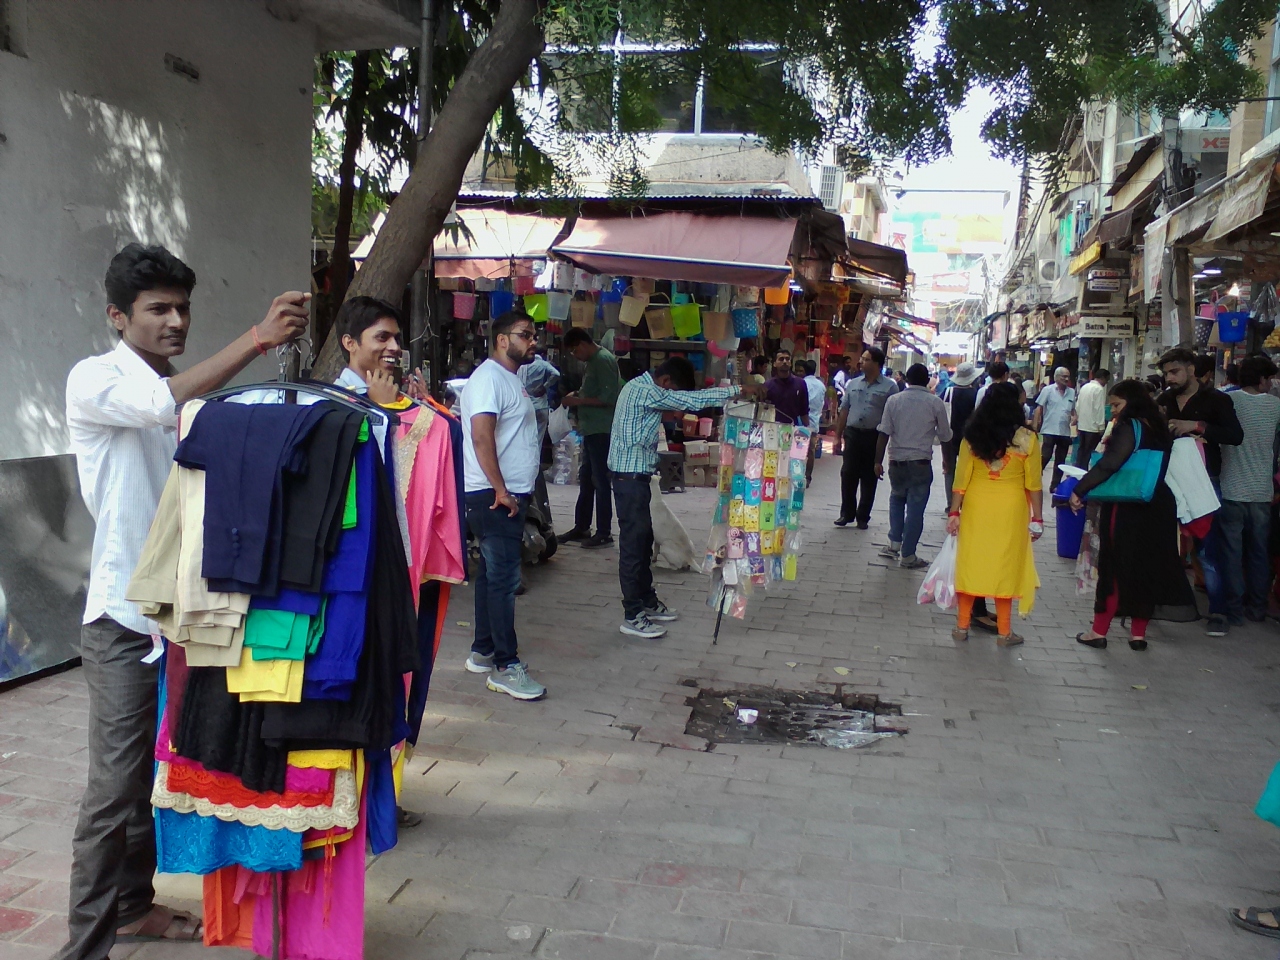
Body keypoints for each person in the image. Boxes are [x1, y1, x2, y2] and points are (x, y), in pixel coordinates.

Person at [62, 243, 309, 959]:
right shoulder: (97, 379)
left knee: (157, 767)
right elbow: (157, 403)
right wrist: (257, 339)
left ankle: (133, 905)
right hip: (123, 620)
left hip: (189, 612)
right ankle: (82, 946)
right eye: (158, 309)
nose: (176, 321)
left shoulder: (189, 396)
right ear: (118, 316)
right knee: (113, 787)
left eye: (182, 308)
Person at [608, 357, 763, 639]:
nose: (674, 401)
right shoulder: (644, 390)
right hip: (628, 480)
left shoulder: (644, 388)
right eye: (673, 392)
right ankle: (632, 614)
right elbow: (692, 401)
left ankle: (646, 600)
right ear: (665, 381)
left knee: (643, 543)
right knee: (633, 546)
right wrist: (738, 390)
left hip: (637, 478)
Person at [1071, 379, 1198, 650]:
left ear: (1131, 401)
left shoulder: (1130, 426)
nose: (1114, 411)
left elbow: (1111, 463)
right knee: (1146, 567)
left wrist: (1080, 489)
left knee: (1114, 567)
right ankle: (1138, 635)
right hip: (1159, 504)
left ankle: (1098, 631)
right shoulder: (1159, 426)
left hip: (1128, 503)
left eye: (1116, 405)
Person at [460, 311, 547, 701]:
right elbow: (482, 436)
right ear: (501, 339)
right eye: (525, 335)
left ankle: (483, 651)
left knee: (493, 577)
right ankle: (506, 666)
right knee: (504, 581)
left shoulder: (511, 379)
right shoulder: (489, 379)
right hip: (493, 496)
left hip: (505, 494)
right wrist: (500, 489)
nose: (533, 341)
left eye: (533, 335)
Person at [946, 382, 1042, 646]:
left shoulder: (972, 436)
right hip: (1011, 509)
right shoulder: (1027, 438)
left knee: (971, 563)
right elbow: (1034, 483)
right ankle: (1004, 632)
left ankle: (961, 627)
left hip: (976, 506)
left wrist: (954, 512)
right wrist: (1038, 518)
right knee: (1005, 565)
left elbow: (961, 479)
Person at [1156, 346, 1243, 636]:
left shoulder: (1217, 399)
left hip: (1204, 480)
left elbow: (1235, 436)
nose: (1170, 378)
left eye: (1175, 371)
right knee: (1167, 543)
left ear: (1191, 369)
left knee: (1207, 547)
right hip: (1170, 478)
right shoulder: (1165, 399)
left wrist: (1197, 426)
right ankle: (1167, 602)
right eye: (1166, 373)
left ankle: (1218, 611)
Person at [1218, 355, 1280, 624]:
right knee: (1258, 552)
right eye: (1271, 378)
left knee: (1232, 552)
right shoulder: (1276, 405)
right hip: (1261, 491)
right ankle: (1257, 607)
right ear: (1262, 379)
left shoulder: (1228, 401)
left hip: (1231, 487)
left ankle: (1233, 609)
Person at [874, 363, 952, 568]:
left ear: (906, 379)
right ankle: (908, 555)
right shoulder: (935, 403)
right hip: (921, 463)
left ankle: (894, 544)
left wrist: (877, 461)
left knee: (896, 500)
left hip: (896, 461)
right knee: (916, 509)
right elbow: (945, 436)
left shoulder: (894, 400)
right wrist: (947, 461)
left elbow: (884, 432)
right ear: (927, 381)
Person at [559, 327, 623, 549]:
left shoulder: (603, 360)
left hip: (602, 429)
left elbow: (608, 397)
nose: (575, 356)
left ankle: (604, 532)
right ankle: (582, 526)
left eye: (575, 350)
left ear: (583, 344)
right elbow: (591, 391)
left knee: (601, 481)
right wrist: (577, 395)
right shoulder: (592, 363)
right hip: (590, 429)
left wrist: (578, 401)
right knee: (586, 479)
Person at [832, 347, 896, 528]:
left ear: (877, 364)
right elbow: (844, 410)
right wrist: (837, 436)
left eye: (866, 359)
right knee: (848, 473)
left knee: (869, 476)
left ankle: (863, 516)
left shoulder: (890, 387)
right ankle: (847, 513)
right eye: (862, 358)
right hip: (853, 434)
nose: (861, 362)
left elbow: (892, 415)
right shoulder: (853, 384)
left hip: (874, 436)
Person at [941, 361, 981, 505]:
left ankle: (950, 503)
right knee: (968, 470)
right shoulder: (976, 394)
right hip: (971, 438)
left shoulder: (948, 392)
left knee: (949, 469)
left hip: (949, 437)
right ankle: (964, 501)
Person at [1034, 367, 1076, 492]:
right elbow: (1039, 408)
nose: (1066, 379)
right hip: (1049, 429)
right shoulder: (1047, 390)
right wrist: (1035, 426)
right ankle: (1034, 478)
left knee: (1061, 460)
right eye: (1063, 376)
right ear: (1056, 377)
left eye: (1068, 376)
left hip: (1064, 431)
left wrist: (1075, 418)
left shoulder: (1071, 392)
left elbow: (1073, 410)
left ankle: (1055, 485)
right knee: (1045, 456)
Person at [518, 346, 560, 450]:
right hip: (541, 406)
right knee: (539, 438)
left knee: (526, 436)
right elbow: (556, 374)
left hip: (527, 406)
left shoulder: (523, 366)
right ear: (542, 355)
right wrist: (545, 386)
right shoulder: (543, 364)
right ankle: (536, 458)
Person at [1073, 368, 1111, 466]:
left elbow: (1078, 406)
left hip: (1082, 425)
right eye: (1107, 380)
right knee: (1088, 453)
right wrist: (1101, 427)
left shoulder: (1084, 387)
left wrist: (1078, 421)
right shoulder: (1099, 389)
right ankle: (1084, 471)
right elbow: (1099, 409)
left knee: (1081, 451)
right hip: (1093, 427)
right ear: (1102, 378)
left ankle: (1078, 469)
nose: (1106, 383)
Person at [764, 349, 811, 427]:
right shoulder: (768, 385)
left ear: (791, 363)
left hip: (793, 427)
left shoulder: (800, 383)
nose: (785, 361)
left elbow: (804, 412)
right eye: (781, 359)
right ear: (774, 364)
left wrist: (808, 430)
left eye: (787, 359)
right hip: (773, 428)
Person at [803, 359, 827, 483]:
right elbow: (822, 403)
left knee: (798, 450)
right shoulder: (821, 386)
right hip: (814, 422)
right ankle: (808, 477)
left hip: (802, 421)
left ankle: (798, 476)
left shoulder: (802, 383)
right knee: (811, 451)